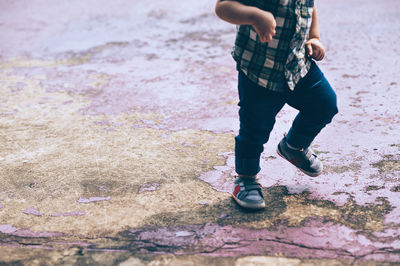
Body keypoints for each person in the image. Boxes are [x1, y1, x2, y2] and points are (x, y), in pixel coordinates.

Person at [215, 0, 338, 210]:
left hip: (298, 66)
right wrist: (253, 15)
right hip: (259, 71)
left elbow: (309, 6)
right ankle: (245, 179)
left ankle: (294, 146)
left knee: (324, 104)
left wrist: (314, 37)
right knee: (254, 129)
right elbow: (223, 7)